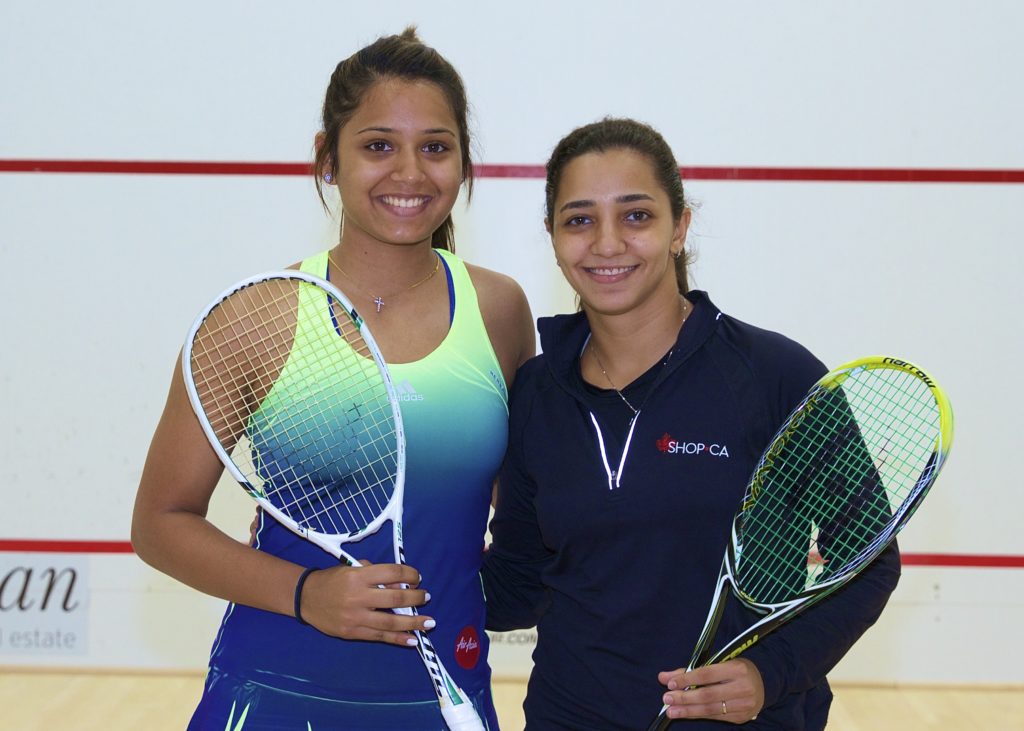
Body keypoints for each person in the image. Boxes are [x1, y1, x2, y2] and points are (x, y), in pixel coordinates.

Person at [132, 28, 534, 731]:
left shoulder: (499, 311)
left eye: (435, 147)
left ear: (464, 164)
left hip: (448, 695)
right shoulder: (253, 319)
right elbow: (159, 523)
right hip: (268, 692)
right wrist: (307, 591)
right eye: (378, 145)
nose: (409, 172)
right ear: (328, 159)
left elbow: (527, 505)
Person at [481, 118, 901, 730]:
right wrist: (411, 584)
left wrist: (771, 671)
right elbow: (520, 581)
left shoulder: (773, 376)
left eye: (636, 216)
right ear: (552, 235)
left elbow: (869, 562)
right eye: (579, 219)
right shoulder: (537, 395)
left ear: (679, 226)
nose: (606, 243)